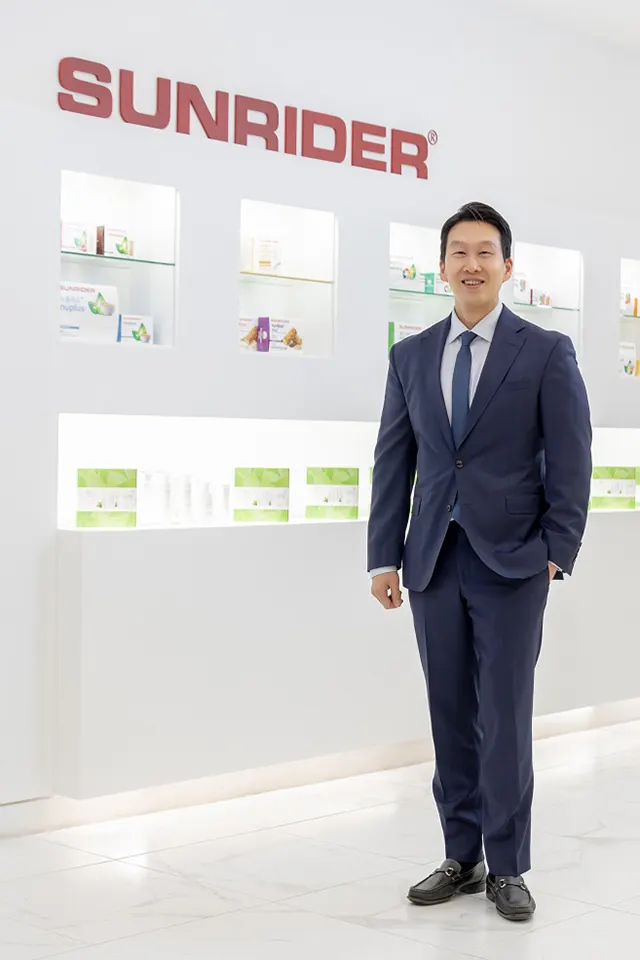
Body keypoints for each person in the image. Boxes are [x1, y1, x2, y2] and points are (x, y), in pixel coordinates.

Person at [368, 202, 591, 922]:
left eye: (485, 252)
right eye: (459, 252)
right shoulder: (410, 356)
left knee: (505, 714)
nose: (472, 264)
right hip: (432, 559)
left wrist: (557, 550)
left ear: (507, 266)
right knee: (449, 712)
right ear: (441, 267)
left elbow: (573, 457)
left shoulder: (545, 350)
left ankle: (508, 865)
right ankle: (460, 856)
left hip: (514, 563)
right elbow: (393, 461)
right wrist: (383, 556)